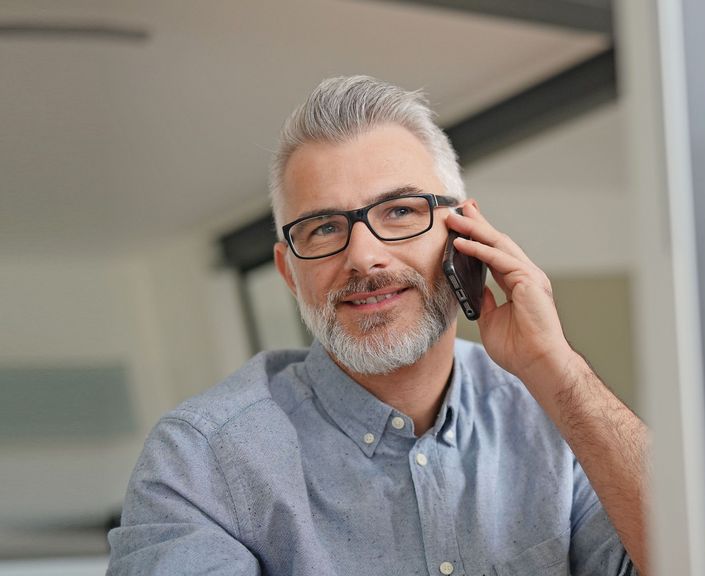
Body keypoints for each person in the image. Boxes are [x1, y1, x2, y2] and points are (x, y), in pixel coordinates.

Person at [107, 76, 649, 575]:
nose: (364, 257)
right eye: (323, 228)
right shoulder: (201, 460)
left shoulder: (554, 417)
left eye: (400, 211)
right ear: (289, 273)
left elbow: (687, 554)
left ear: (466, 234)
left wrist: (558, 371)